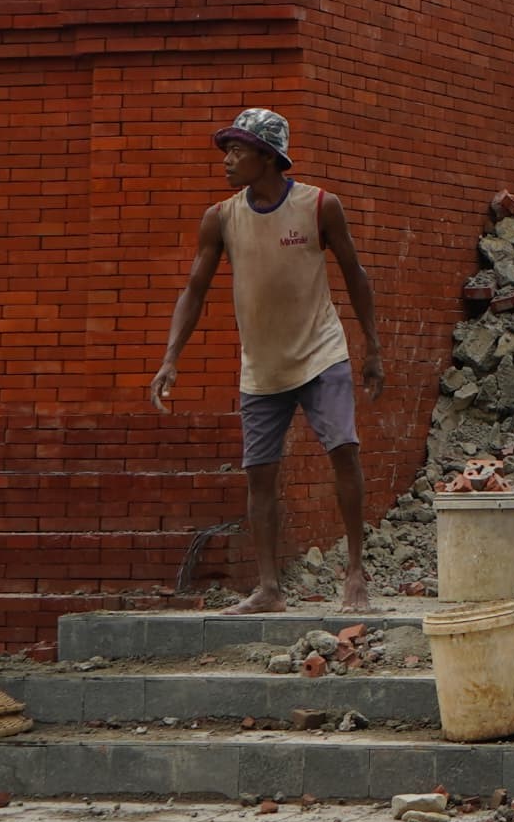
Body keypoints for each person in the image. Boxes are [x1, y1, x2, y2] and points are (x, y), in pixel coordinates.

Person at [152, 107, 382, 612]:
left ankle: (356, 573)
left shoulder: (320, 206)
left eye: (238, 150)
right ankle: (269, 588)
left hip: (322, 352)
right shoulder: (221, 218)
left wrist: (372, 347)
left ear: (269, 157)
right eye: (227, 150)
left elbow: (355, 274)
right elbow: (194, 288)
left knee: (343, 448)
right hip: (261, 364)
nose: (228, 160)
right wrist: (171, 357)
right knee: (259, 472)